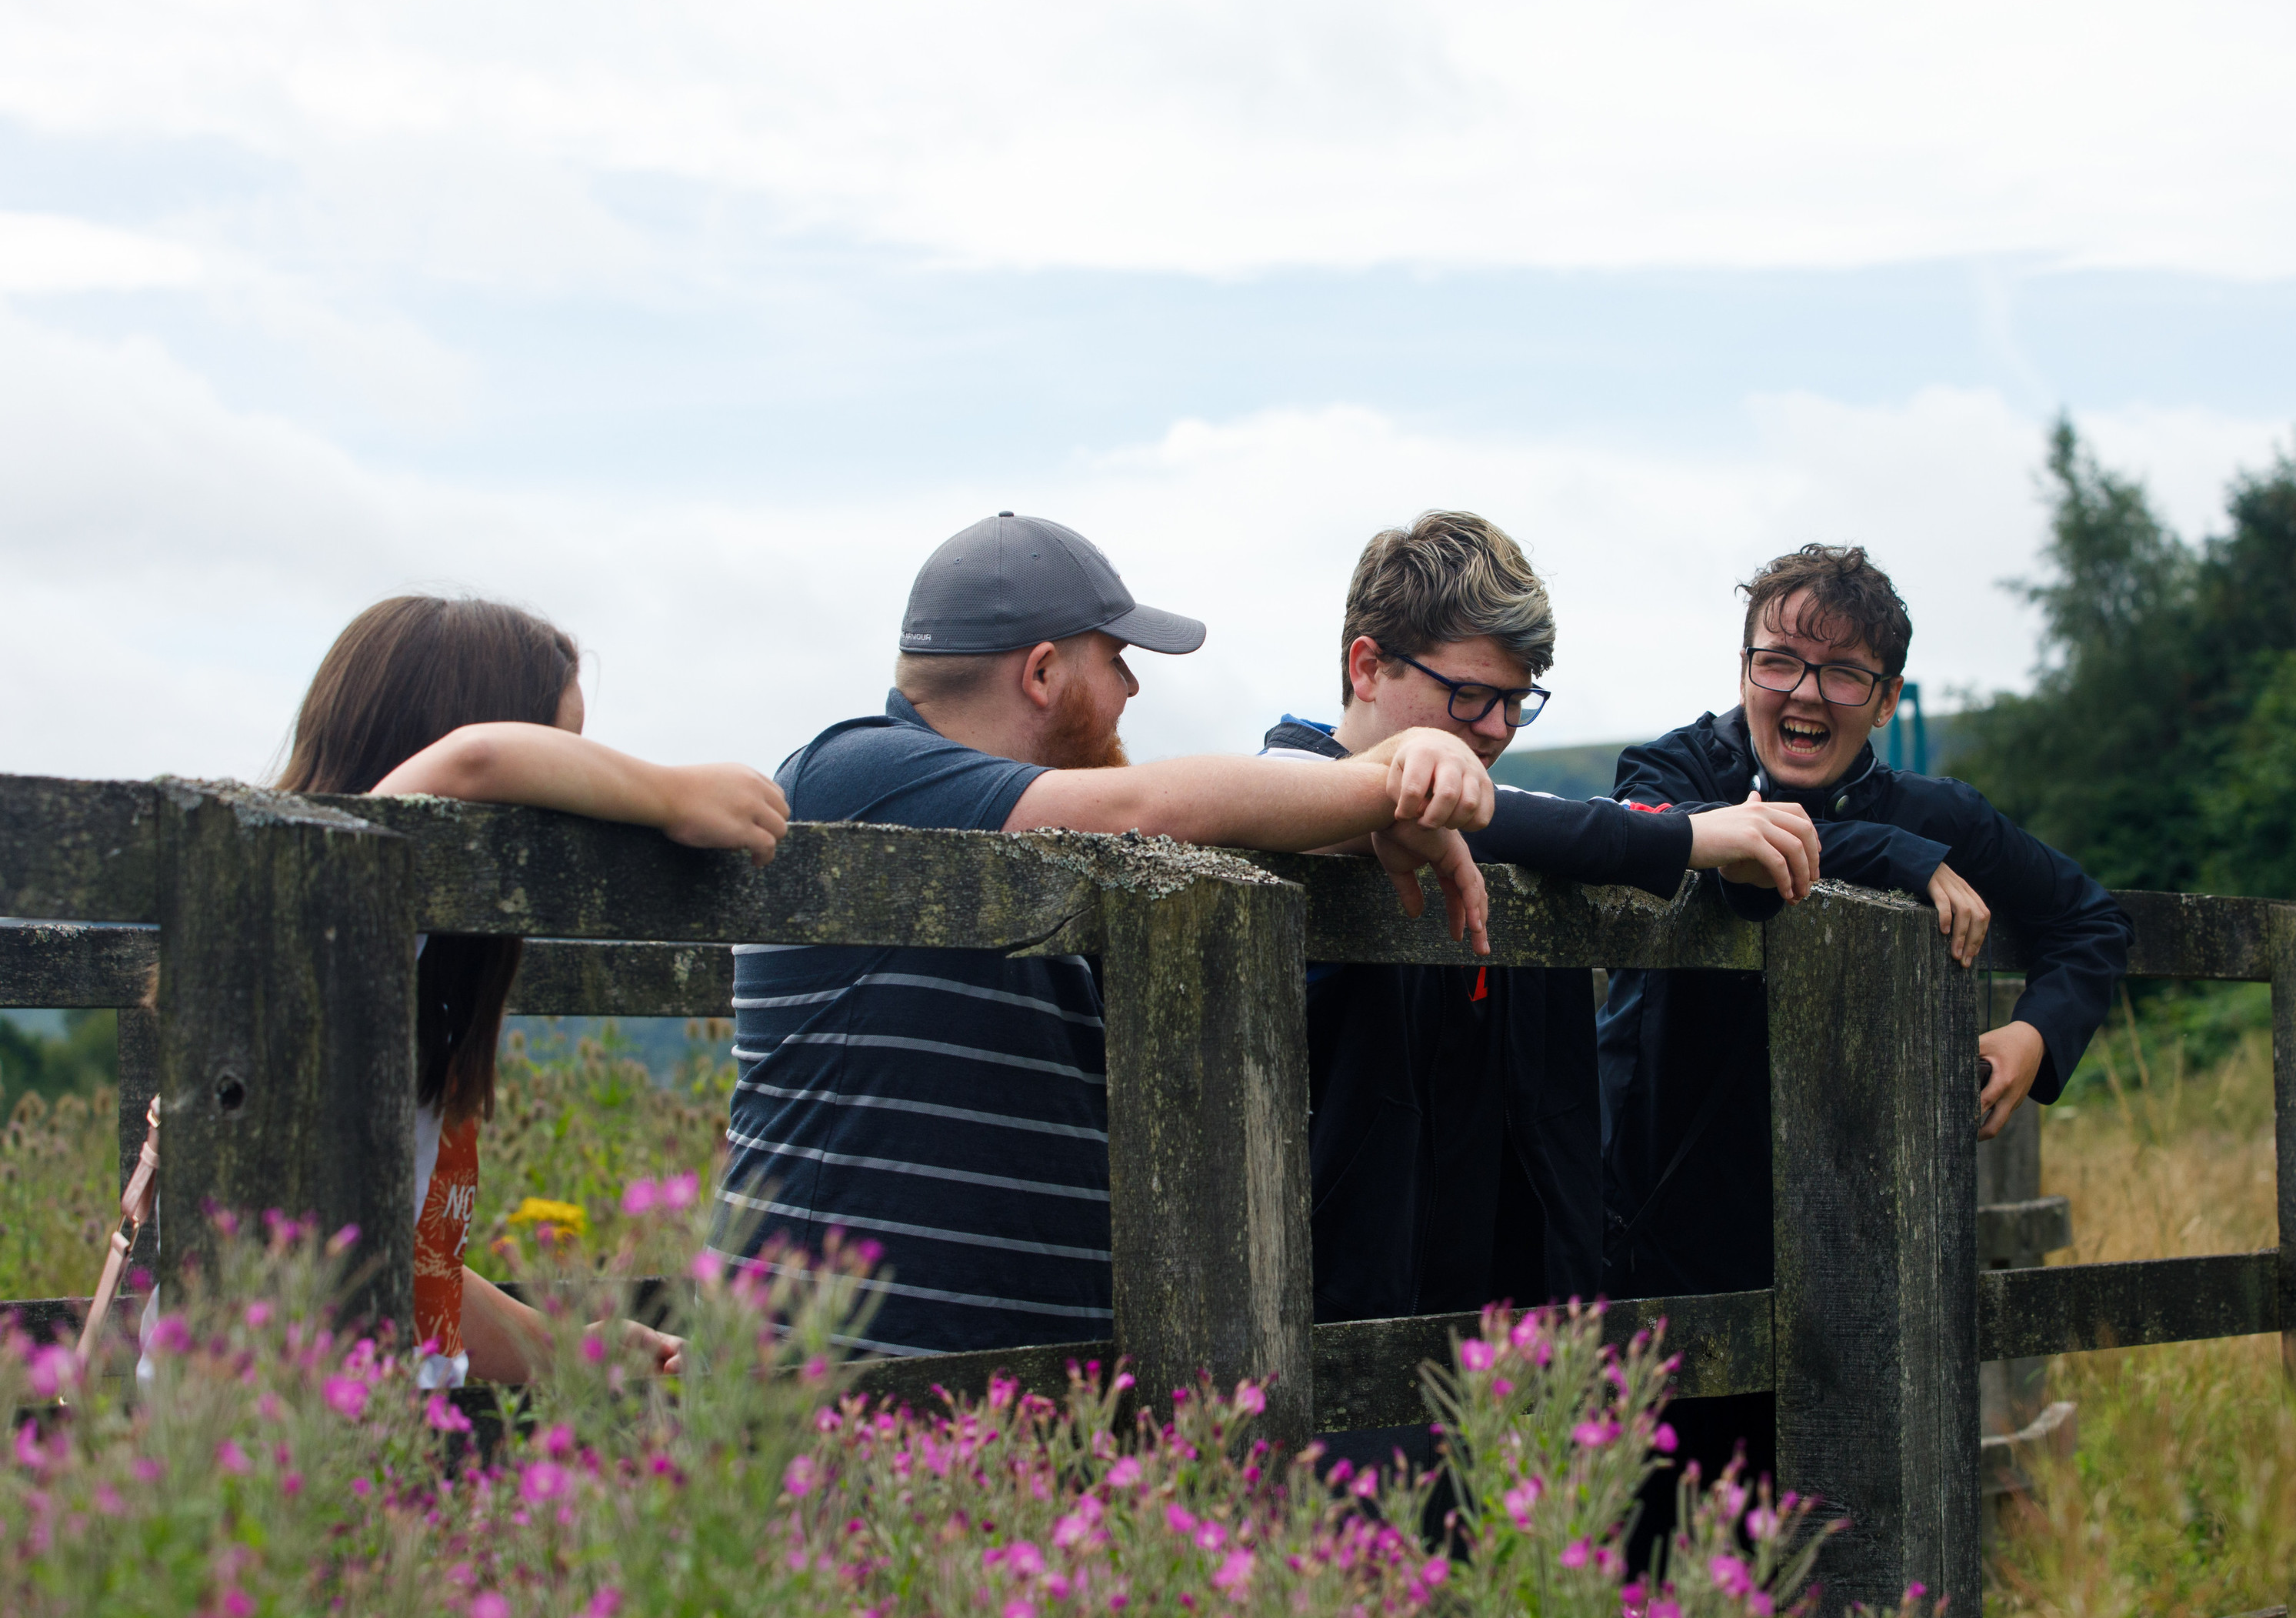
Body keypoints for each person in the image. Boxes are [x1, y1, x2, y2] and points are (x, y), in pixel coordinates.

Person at [708, 512, 1499, 1360]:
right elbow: (1148, 811)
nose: (1132, 691)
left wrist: (1384, 818)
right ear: (1043, 673)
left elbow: (1205, 833)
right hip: (840, 1380)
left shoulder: (1036, 841)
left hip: (1002, 1391)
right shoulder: (855, 772)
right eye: (1117, 662)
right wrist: (1397, 775)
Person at [1599, 542, 2133, 1484]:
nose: (1803, 695)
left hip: (1854, 1246)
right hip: (1650, 1234)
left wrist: (2032, 1033)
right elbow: (1678, 843)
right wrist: (1893, 854)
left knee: (1832, 1544)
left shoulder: (1942, 814)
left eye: (1844, 674)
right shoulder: (1669, 770)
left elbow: (2090, 919)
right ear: (1745, 669)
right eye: (1779, 663)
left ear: (1887, 699)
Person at [1258, 511, 1824, 1328]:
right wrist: (1685, 836)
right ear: (1368, 665)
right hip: (1335, 1319)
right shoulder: (1284, 792)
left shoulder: (1507, 837)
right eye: (1470, 696)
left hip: (1507, 1321)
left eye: (1517, 703)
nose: (1494, 730)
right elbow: (1509, 815)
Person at [283, 593, 790, 1386]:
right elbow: (473, 760)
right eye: (564, 763)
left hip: (366, 1450)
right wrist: (669, 793)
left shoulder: (416, 983)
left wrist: (567, 1351)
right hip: (270, 1455)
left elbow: (415, 1267)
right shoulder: (321, 920)